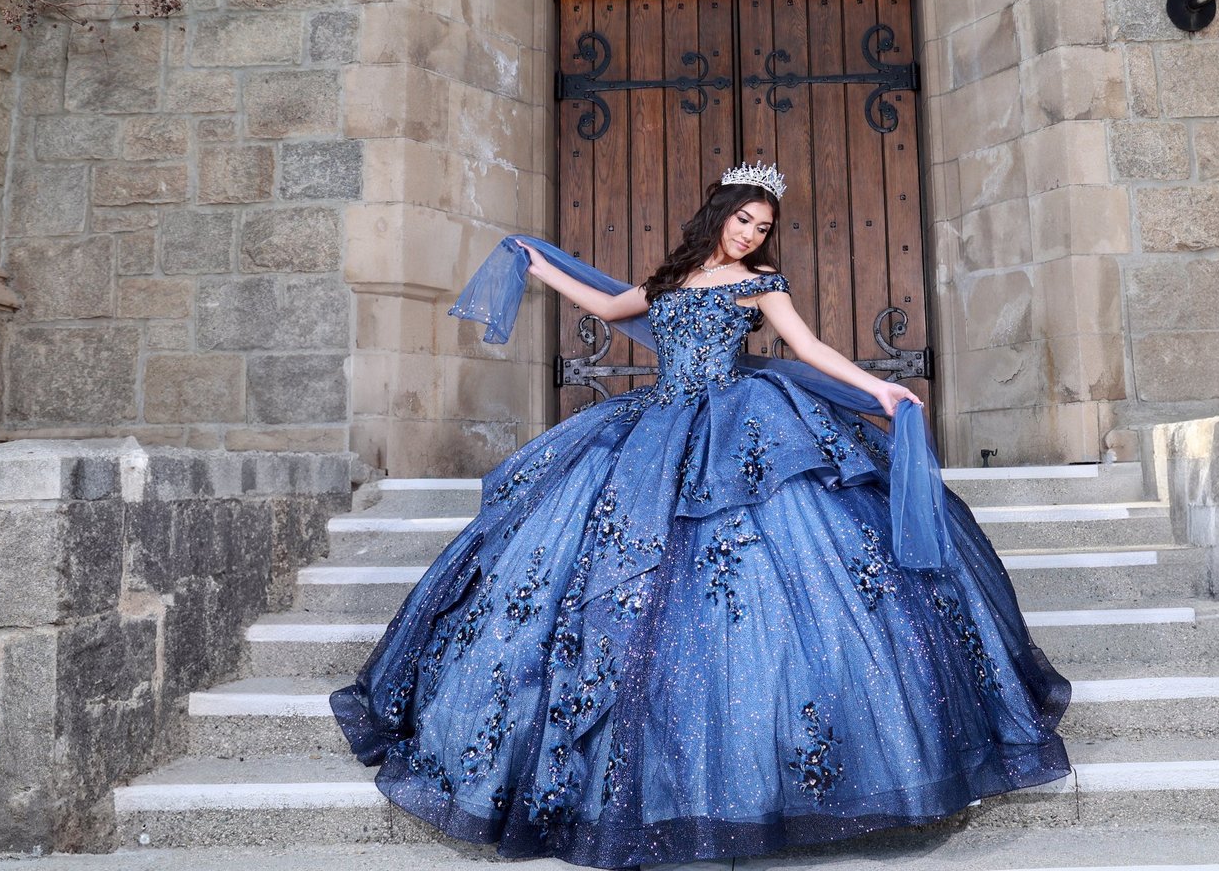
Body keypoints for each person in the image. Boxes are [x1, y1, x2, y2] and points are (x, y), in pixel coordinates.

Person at [331, 161, 1071, 869]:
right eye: (744, 219)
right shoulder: (674, 277)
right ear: (720, 214)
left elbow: (807, 345)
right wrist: (537, 263)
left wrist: (878, 391)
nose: (751, 233)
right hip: (655, 429)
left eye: (763, 225)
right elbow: (609, 306)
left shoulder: (760, 284)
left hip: (736, 425)